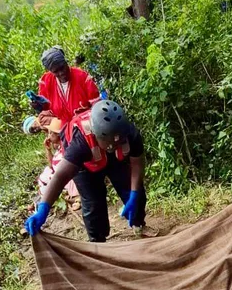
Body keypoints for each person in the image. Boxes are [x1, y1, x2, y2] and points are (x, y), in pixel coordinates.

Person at [25, 100, 147, 242]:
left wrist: (133, 194)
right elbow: (60, 177)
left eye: (118, 140)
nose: (114, 143)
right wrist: (43, 208)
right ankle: (98, 242)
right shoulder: (80, 143)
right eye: (110, 142)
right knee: (93, 205)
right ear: (97, 135)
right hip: (86, 165)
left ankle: (138, 225)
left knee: (136, 195)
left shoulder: (128, 133)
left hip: (115, 159)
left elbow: (137, 164)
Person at [28, 46, 102, 124]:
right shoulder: (46, 82)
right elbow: (45, 109)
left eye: (62, 68)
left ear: (66, 62)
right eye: (56, 71)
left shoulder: (82, 77)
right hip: (61, 128)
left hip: (86, 125)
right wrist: (37, 106)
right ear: (51, 71)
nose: (61, 73)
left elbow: (96, 104)